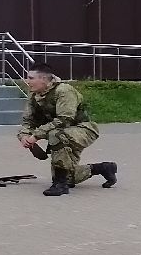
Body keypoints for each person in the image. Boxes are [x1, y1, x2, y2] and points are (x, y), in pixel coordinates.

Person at [18, 65, 117, 196]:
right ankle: (104, 168)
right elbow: (27, 120)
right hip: (63, 133)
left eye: (31, 78)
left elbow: (64, 119)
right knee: (70, 177)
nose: (27, 81)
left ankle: (60, 185)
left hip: (83, 129)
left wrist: (36, 136)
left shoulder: (64, 91)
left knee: (55, 135)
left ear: (44, 79)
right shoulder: (34, 95)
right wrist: (24, 136)